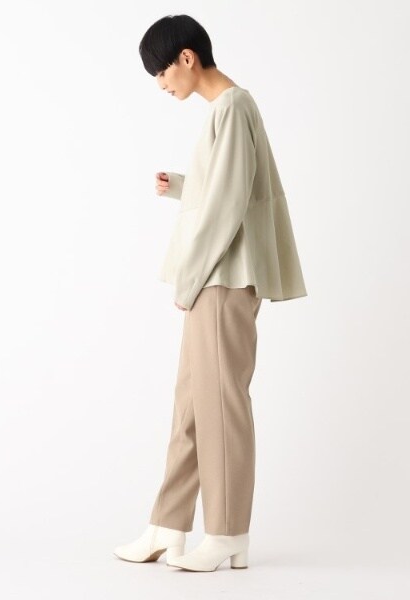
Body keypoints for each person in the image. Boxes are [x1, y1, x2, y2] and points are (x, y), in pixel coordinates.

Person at [113, 14, 307, 572]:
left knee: (220, 406)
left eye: (161, 72)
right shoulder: (226, 110)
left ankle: (226, 533)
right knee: (191, 406)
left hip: (222, 279)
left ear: (187, 58)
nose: (161, 84)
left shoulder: (234, 106)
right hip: (215, 279)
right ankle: (168, 525)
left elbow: (227, 206)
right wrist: (179, 186)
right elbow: (226, 188)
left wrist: (189, 278)